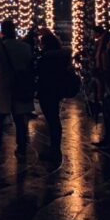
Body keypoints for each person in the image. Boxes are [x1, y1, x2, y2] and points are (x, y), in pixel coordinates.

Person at [0, 19, 34, 158]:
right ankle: (21, 149)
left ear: (2, 31)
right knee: (20, 120)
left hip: (2, 85)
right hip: (20, 85)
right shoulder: (25, 47)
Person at [36, 29, 72, 163]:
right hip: (57, 90)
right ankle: (55, 147)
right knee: (54, 119)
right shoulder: (62, 57)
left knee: (52, 119)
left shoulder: (46, 58)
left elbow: (40, 73)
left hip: (47, 90)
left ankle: (54, 149)